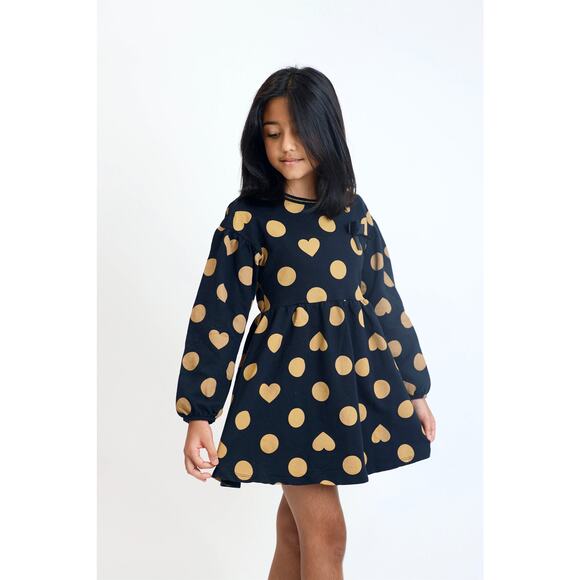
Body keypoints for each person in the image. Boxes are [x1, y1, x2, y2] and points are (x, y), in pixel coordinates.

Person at [175, 66, 436, 579]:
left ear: (327, 132)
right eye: (273, 134)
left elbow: (384, 301)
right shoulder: (249, 218)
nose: (287, 146)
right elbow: (218, 313)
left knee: (296, 534)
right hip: (282, 396)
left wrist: (415, 387)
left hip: (340, 396)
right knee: (328, 533)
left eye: (299, 132)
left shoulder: (354, 213)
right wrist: (198, 413)